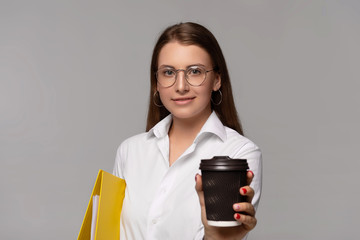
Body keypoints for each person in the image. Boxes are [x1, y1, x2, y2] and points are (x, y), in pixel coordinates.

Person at [113, 22, 262, 240]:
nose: (180, 86)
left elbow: (223, 235)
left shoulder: (240, 153)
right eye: (168, 72)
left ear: (217, 80)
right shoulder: (129, 151)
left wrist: (216, 238)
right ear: (156, 82)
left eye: (194, 71)